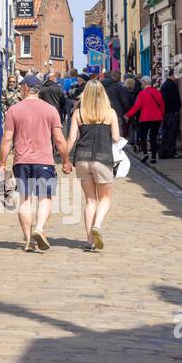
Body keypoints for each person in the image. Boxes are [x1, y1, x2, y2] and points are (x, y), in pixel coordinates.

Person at [0, 75, 71, 252]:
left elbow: (7, 139)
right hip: (44, 161)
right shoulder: (50, 110)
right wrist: (66, 160)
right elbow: (59, 139)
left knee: (25, 200)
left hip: (21, 161)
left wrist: (2, 163)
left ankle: (28, 240)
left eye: (22, 86)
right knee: (45, 198)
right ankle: (39, 228)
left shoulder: (14, 110)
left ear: (26, 88)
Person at [67, 80, 119, 251]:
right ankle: (97, 226)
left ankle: (89, 240)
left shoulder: (78, 114)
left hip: (82, 158)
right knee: (104, 198)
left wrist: (66, 158)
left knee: (90, 200)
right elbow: (116, 138)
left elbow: (72, 139)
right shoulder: (110, 113)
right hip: (102, 158)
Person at [124, 77, 165, 163]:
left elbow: (136, 107)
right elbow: (162, 106)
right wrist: (161, 115)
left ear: (144, 83)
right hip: (157, 118)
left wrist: (128, 115)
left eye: (142, 83)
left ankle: (145, 154)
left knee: (143, 137)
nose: (141, 85)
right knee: (153, 137)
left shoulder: (142, 94)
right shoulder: (157, 92)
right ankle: (153, 156)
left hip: (145, 118)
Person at [159, 69, 182, 159]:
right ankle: (171, 152)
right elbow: (175, 100)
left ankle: (163, 152)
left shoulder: (165, 85)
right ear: (173, 75)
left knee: (166, 133)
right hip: (171, 113)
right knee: (171, 133)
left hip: (165, 113)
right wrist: (177, 109)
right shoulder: (171, 85)